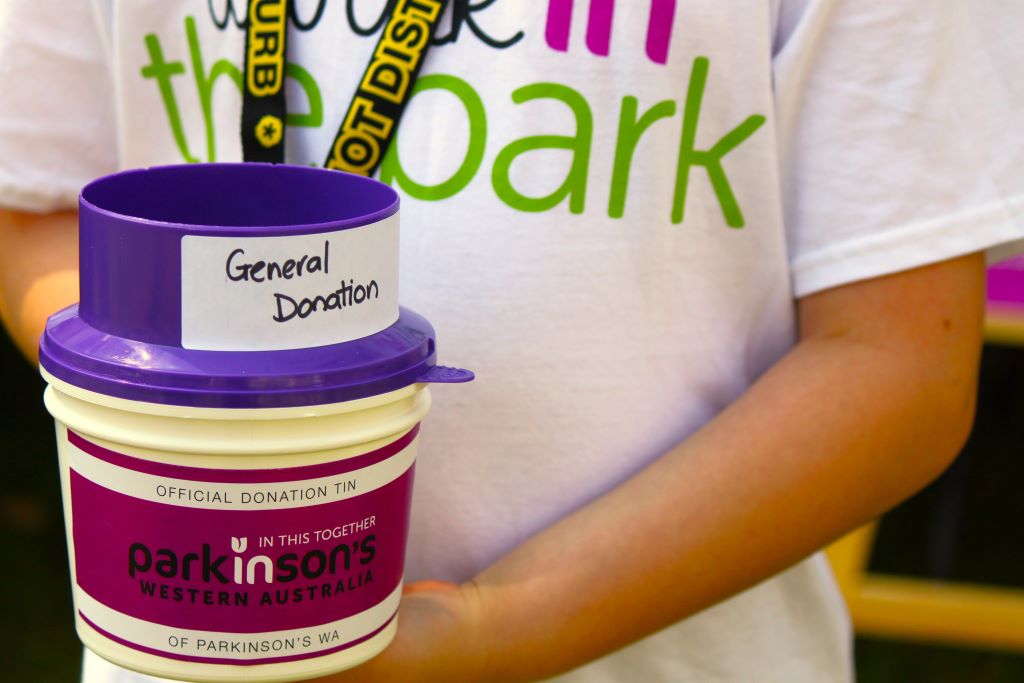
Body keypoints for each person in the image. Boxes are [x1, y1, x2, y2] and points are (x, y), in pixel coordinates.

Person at [1, 1, 1022, 681]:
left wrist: (494, 623)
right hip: (182, 646)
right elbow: (31, 204)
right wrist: (182, 412)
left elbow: (893, 359)